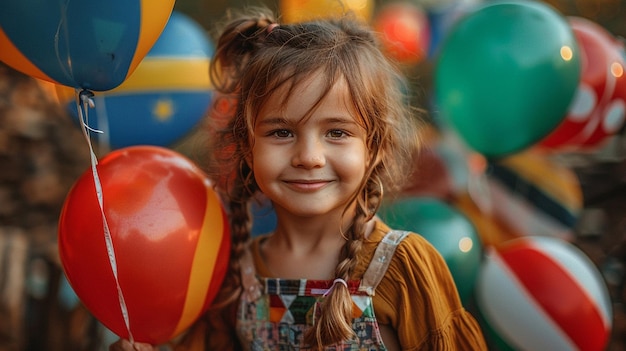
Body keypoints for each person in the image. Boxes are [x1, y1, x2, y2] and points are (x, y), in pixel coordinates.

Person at [111, 7, 487, 351]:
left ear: (376, 148)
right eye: (281, 132)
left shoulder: (403, 268)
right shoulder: (234, 277)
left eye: (337, 132)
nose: (308, 157)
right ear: (246, 145)